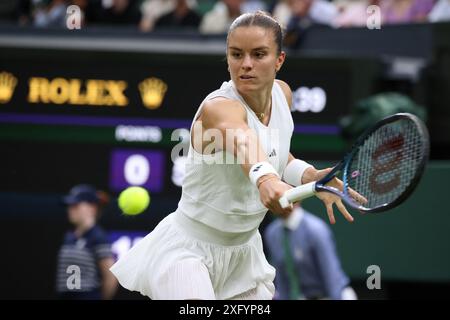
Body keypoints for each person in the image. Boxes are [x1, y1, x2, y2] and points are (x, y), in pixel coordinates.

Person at [110, 11, 362, 300]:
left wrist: (310, 175)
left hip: (244, 256)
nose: (246, 65)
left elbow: (276, 152)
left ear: (279, 60)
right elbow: (241, 139)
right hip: (187, 254)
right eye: (236, 54)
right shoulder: (218, 107)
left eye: (259, 54)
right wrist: (264, 177)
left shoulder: (283, 95)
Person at [264, 204, 357, 300]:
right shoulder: (271, 233)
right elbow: (281, 280)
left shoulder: (316, 229)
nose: (272, 197)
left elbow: (332, 278)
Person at [56, 184, 118, 300]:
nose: (70, 209)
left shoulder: (98, 237)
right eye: (70, 206)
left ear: (92, 208)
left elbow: (110, 277)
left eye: (76, 205)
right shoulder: (69, 237)